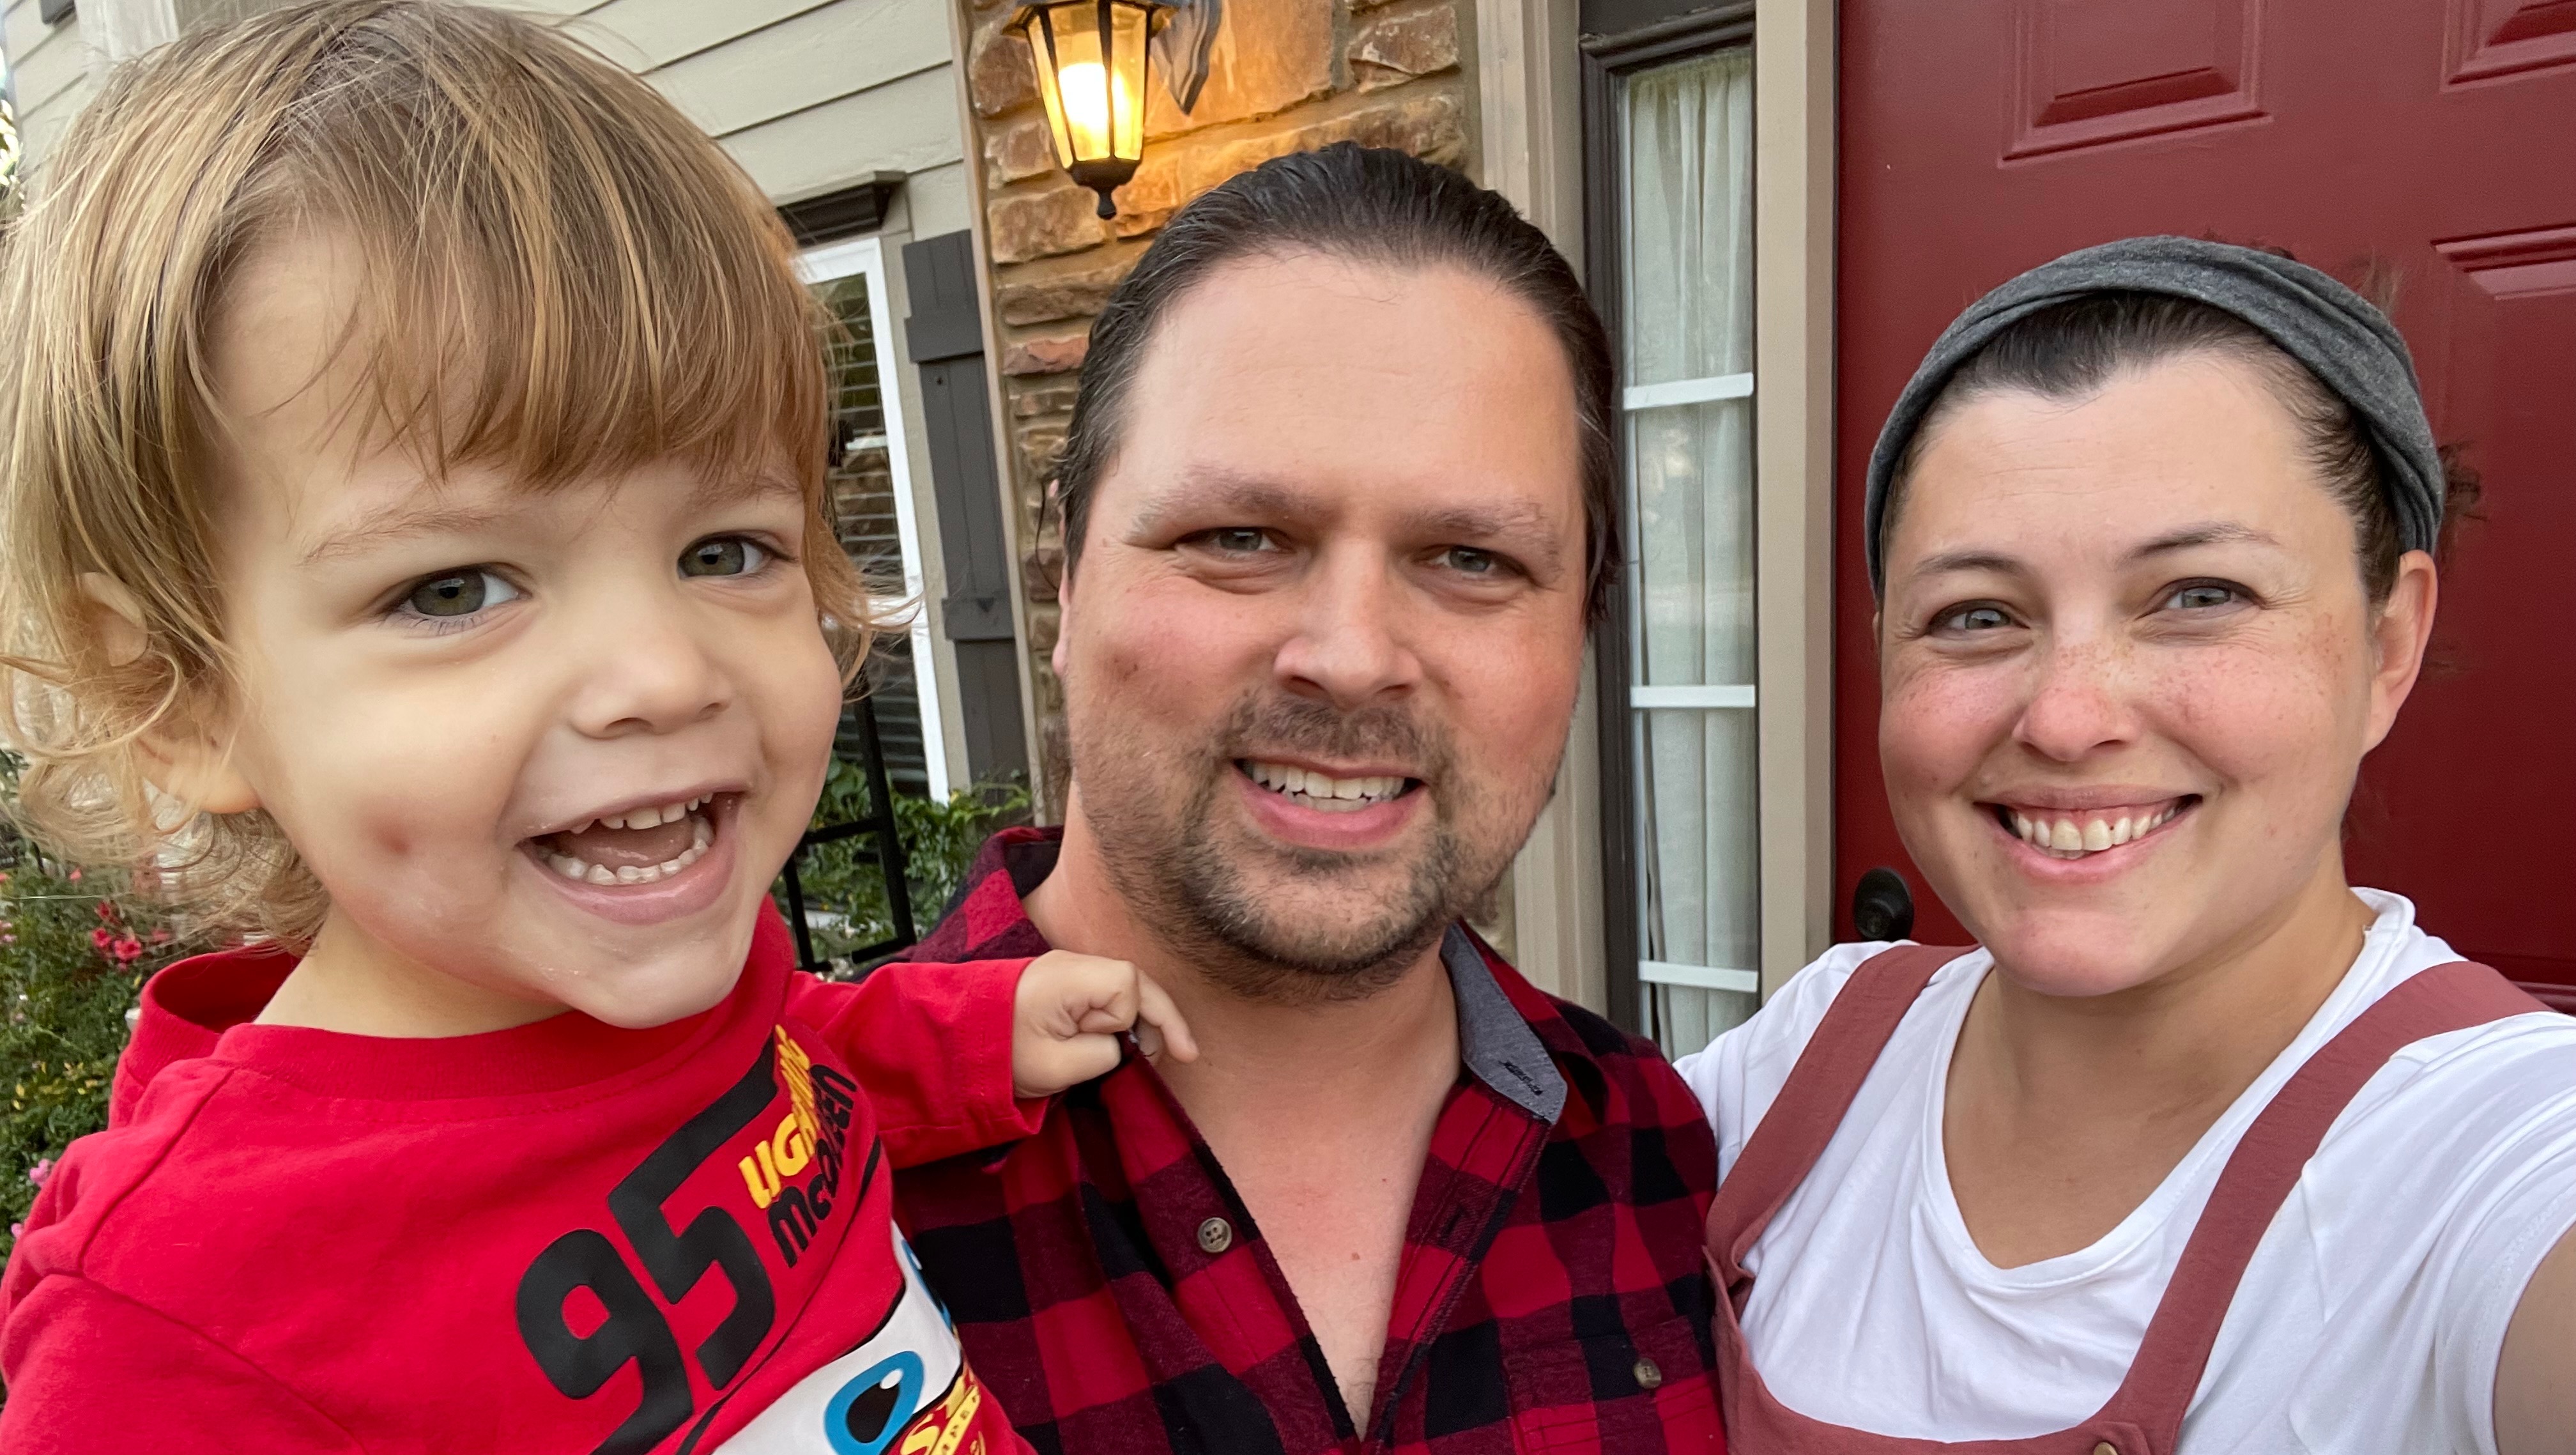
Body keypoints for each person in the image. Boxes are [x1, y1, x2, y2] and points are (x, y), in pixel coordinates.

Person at [0, 5, 1193, 1451]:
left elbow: (776, 1062)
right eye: (455, 586)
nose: (663, 674)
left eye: (724, 550)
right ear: (182, 693)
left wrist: (969, 1032)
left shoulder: (672, 976)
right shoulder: (177, 1321)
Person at [888, 144, 1726, 1455]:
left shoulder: (1670, 1163)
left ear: (1580, 632)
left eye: (1471, 558)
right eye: (1238, 537)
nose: (1349, 654)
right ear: (1066, 581)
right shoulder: (765, 1199)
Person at [1676, 238, 2576, 1454]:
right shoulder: (1809, 1061)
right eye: (1976, 615)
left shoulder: (2501, 1151)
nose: (2066, 717)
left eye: (2200, 595)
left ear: (2389, 642)